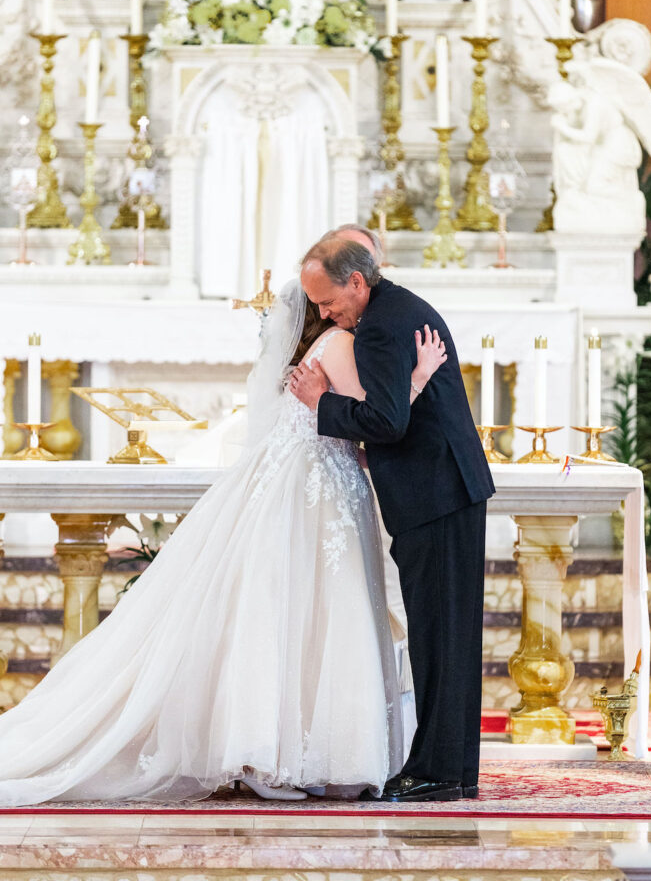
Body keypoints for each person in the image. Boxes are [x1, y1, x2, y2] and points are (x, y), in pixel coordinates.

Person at [0, 281, 446, 806]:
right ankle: (286, 755)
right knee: (317, 612)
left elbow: (343, 428)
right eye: (327, 303)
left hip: (302, 480)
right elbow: (378, 420)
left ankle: (282, 754)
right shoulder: (340, 343)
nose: (340, 310)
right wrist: (418, 378)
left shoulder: (313, 352)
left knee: (285, 612)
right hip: (318, 491)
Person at [291, 239, 495, 803]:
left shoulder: (380, 327)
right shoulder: (395, 309)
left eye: (328, 301)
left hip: (435, 495)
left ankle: (437, 771)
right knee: (448, 637)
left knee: (438, 638)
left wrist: (319, 401)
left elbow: (387, 421)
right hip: (446, 490)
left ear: (356, 282)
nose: (324, 313)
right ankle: (452, 770)